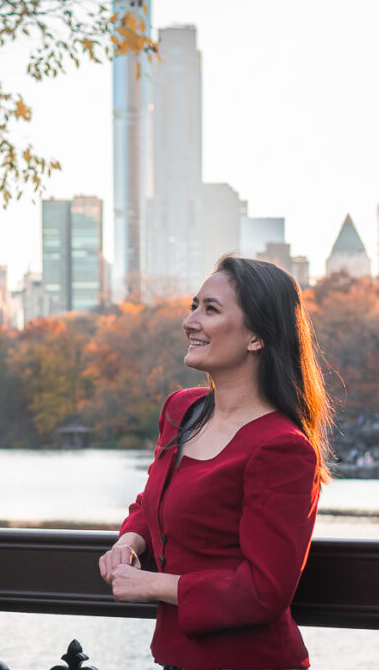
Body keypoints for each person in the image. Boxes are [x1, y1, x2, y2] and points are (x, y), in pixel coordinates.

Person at [98, 256, 333, 670]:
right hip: (174, 658)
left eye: (211, 309)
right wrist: (129, 543)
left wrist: (153, 584)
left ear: (256, 337)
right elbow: (151, 501)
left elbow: (265, 590)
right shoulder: (180, 411)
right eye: (194, 305)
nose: (191, 320)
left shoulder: (282, 448)